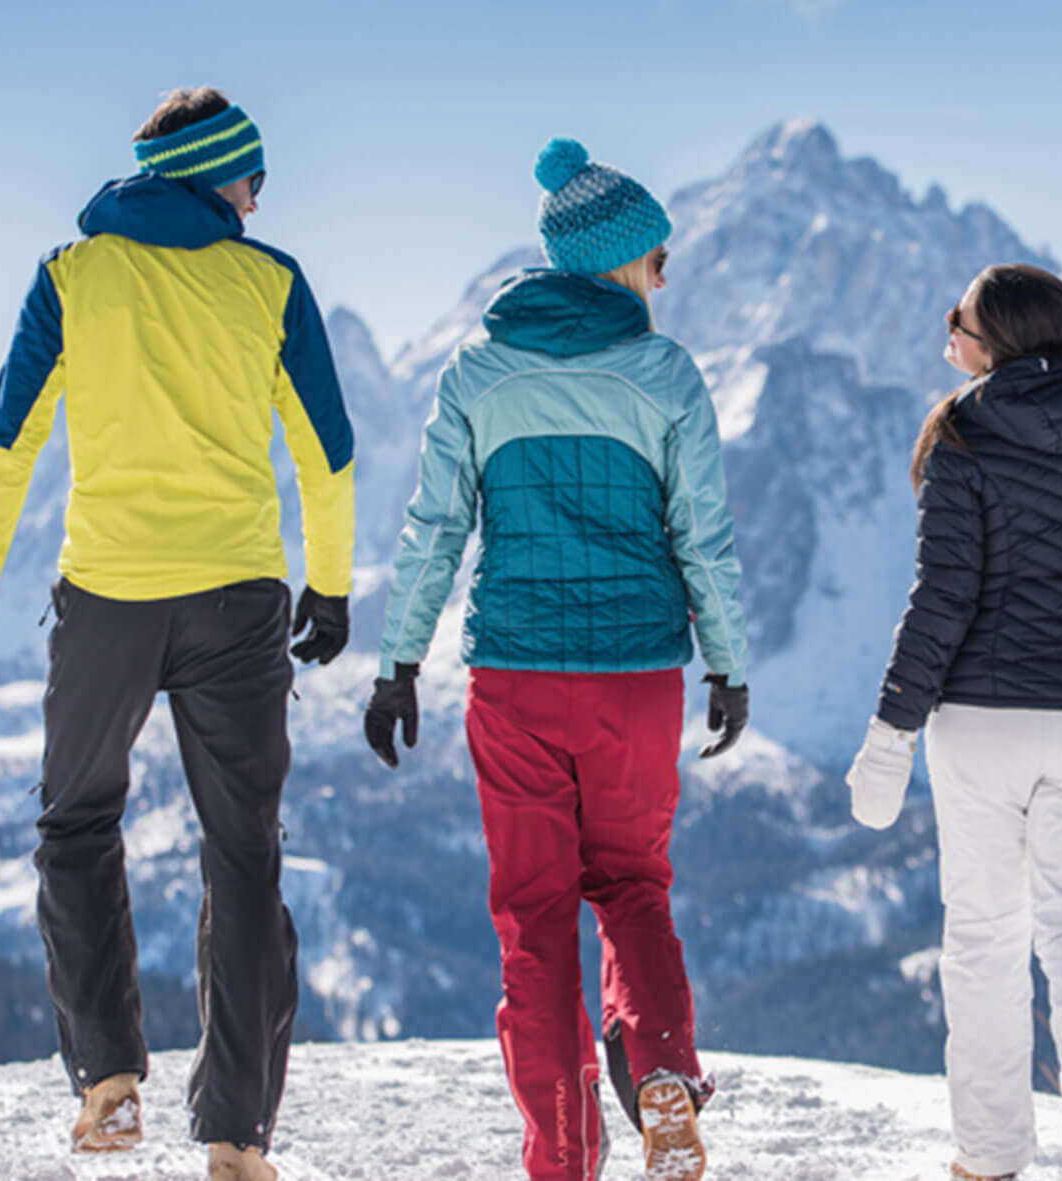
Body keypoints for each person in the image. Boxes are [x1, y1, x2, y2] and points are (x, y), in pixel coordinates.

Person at [0, 86, 356, 1181]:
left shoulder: (73, 275)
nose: (261, 198)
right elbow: (329, 451)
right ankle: (237, 1140)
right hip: (238, 601)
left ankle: (109, 1084)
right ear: (216, 174)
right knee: (243, 854)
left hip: (108, 598)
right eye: (255, 176)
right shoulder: (271, 283)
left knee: (76, 822)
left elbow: (7, 446)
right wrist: (332, 584)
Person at [364, 137, 749, 1181]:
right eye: (658, 257)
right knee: (633, 888)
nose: (666, 276)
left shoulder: (478, 372)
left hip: (517, 680)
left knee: (534, 921)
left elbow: (435, 527)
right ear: (620, 262)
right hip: (637, 679)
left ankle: (562, 1158)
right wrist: (727, 664)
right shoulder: (665, 373)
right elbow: (702, 534)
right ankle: (663, 1079)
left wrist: (399, 662)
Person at [846, 264, 1062, 1181]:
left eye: (962, 317)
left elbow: (943, 598)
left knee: (985, 936)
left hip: (984, 716)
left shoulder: (963, 434)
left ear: (1002, 339)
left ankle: (989, 1157)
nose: (948, 329)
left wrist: (890, 733)